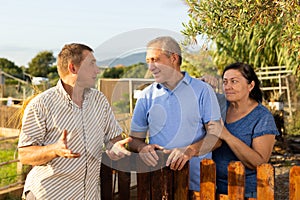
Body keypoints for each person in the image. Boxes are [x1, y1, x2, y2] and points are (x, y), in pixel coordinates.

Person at [18, 43, 132, 200]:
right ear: (73, 68)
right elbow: (25, 154)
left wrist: (115, 149)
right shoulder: (41, 105)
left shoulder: (99, 100)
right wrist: (54, 150)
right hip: (49, 195)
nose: (97, 70)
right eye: (91, 64)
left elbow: (114, 139)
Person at [128, 36, 222, 198]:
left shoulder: (203, 91)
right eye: (148, 61)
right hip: (159, 185)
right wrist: (142, 148)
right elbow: (134, 140)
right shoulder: (146, 96)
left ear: (173, 58)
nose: (150, 67)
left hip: (199, 187)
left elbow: (216, 138)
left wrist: (189, 151)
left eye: (155, 60)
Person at [208, 62, 279, 198]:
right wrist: (202, 83)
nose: (228, 87)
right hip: (215, 189)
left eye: (234, 81)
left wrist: (226, 135)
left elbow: (259, 162)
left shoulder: (262, 117)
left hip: (247, 192)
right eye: (225, 82)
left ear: (250, 85)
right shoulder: (221, 105)